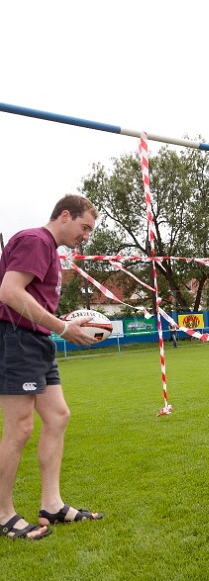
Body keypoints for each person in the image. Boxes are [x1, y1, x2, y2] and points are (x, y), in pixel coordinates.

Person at [0, 194, 104, 540]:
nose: (86, 236)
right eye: (84, 227)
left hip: (37, 341)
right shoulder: (36, 240)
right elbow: (10, 292)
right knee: (19, 428)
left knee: (58, 416)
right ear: (64, 215)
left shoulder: (49, 251)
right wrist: (62, 327)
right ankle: (3, 514)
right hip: (16, 339)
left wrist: (61, 324)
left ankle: (52, 504)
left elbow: (33, 299)